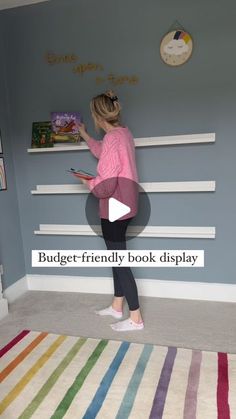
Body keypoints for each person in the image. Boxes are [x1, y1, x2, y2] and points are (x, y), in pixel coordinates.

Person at [77, 90, 144, 331]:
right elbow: (104, 153)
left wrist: (86, 181)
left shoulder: (113, 139)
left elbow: (103, 186)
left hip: (115, 206)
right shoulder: (122, 134)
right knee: (116, 258)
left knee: (119, 260)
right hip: (127, 203)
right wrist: (84, 134)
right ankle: (117, 306)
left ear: (97, 116)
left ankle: (135, 317)